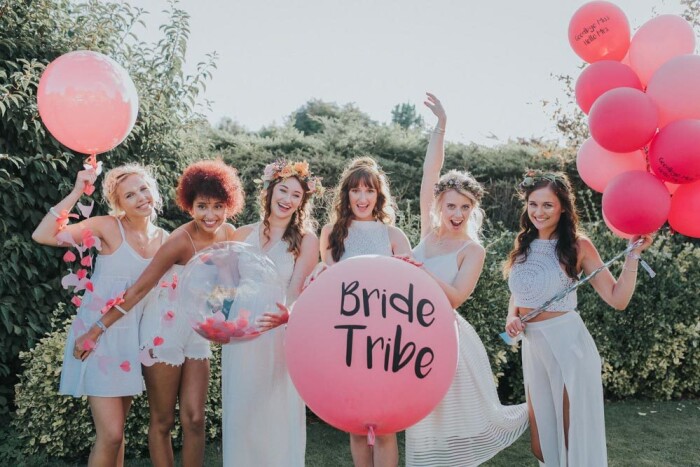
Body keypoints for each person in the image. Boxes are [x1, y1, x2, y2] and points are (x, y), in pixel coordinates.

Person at [73, 159, 245, 467]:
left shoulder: (229, 234)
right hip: (161, 333)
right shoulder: (178, 240)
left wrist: (226, 319)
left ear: (228, 206)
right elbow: (138, 290)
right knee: (163, 421)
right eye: (202, 206)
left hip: (195, 332)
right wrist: (96, 328)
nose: (210, 215)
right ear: (189, 206)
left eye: (218, 206)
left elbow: (227, 289)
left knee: (195, 419)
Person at [403, 93, 528, 466]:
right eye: (451, 205)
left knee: (447, 430)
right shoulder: (427, 232)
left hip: (444, 336)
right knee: (418, 424)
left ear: (473, 210)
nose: (457, 213)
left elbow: (455, 296)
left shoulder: (473, 250)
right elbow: (430, 173)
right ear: (439, 204)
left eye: (465, 207)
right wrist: (441, 127)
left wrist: (419, 271)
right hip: (410, 330)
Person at [503, 169, 653, 466]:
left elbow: (617, 298)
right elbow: (519, 290)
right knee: (541, 445)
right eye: (533, 204)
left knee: (574, 440)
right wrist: (512, 316)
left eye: (547, 205)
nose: (539, 212)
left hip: (569, 345)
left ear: (562, 207)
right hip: (534, 348)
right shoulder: (523, 243)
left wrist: (632, 257)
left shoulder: (578, 245)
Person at [32, 163, 167, 467]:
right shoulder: (107, 226)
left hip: (131, 342)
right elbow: (43, 235)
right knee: (112, 434)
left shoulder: (165, 239)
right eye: (129, 195)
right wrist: (78, 190)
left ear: (154, 190)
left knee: (116, 437)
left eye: (144, 189)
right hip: (97, 337)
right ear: (119, 204)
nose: (140, 197)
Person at [220, 159, 321, 467]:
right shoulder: (240, 234)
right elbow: (228, 287)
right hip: (241, 329)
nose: (288, 199)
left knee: (276, 407)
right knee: (242, 405)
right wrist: (221, 322)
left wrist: (286, 315)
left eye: (296, 195)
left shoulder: (306, 239)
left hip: (278, 328)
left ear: (302, 202)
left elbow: (297, 289)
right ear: (269, 190)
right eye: (283, 190)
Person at [317, 156, 412, 467]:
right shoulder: (331, 232)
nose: (362, 198)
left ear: (378, 196)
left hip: (387, 342)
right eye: (355, 190)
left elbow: (409, 292)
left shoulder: (394, 236)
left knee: (386, 427)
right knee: (356, 425)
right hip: (348, 340)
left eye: (368, 191)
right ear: (346, 195)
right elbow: (331, 286)